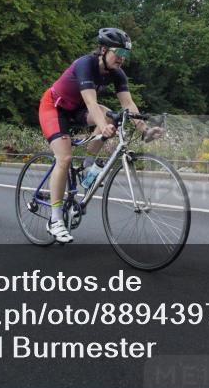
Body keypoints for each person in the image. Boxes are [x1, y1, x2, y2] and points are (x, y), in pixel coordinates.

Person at [37, 28, 161, 244]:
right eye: (119, 52)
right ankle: (55, 220)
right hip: (54, 108)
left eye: (126, 54)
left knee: (113, 115)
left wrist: (145, 130)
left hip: (77, 111)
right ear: (103, 49)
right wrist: (103, 126)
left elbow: (128, 105)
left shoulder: (117, 73)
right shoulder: (85, 64)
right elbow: (91, 103)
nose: (122, 58)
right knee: (64, 159)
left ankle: (88, 166)